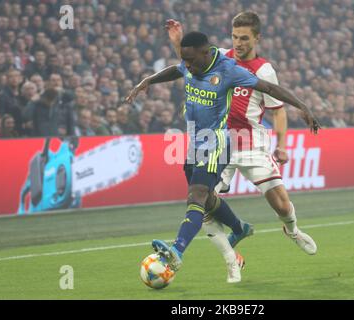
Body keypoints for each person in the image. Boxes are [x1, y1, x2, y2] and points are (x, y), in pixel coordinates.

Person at [125, 31, 319, 283]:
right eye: (185, 60)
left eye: (191, 60)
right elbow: (176, 69)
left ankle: (177, 250)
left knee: (196, 196)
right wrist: (147, 81)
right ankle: (239, 228)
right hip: (195, 143)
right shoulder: (189, 65)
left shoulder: (228, 71)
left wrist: (303, 106)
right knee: (207, 202)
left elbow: (269, 87)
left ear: (206, 53)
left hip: (217, 144)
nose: (188, 66)